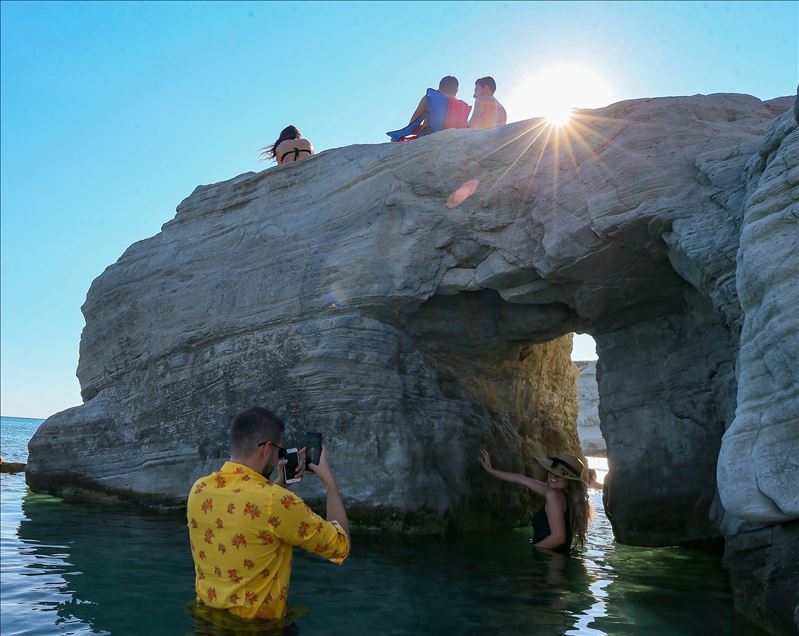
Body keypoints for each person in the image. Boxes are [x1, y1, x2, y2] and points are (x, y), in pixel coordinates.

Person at [187, 407, 350, 622]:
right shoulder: (276, 501)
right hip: (258, 630)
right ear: (265, 448)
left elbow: (245, 511)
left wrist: (280, 483)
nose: (279, 456)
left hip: (207, 623)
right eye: (279, 450)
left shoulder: (199, 489)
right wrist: (329, 482)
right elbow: (339, 545)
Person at [479, 449, 591, 553]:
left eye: (560, 475)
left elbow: (558, 538)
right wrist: (491, 471)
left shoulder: (554, 495)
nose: (553, 476)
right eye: (552, 471)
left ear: (570, 480)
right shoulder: (565, 495)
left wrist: (531, 549)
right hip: (556, 557)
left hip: (551, 562)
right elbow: (521, 479)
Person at [403, 76, 472, 136]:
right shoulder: (463, 107)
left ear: (439, 88)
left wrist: (424, 127)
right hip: (455, 141)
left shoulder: (429, 98)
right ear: (456, 91)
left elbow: (411, 127)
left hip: (429, 137)